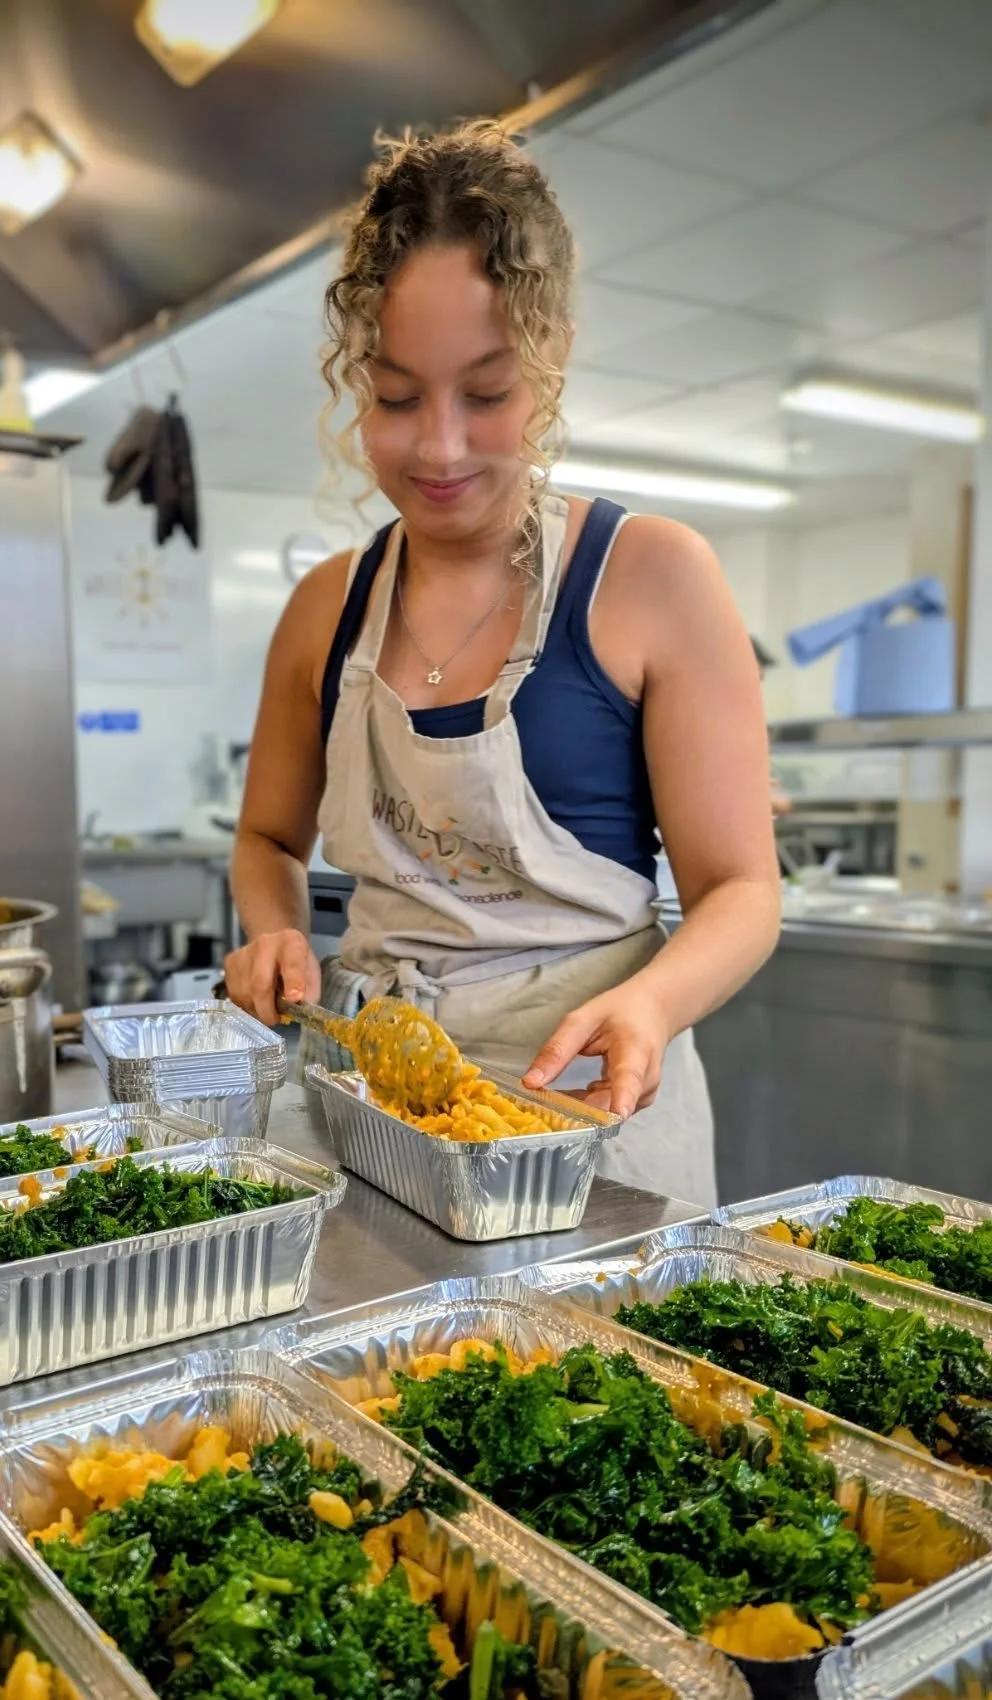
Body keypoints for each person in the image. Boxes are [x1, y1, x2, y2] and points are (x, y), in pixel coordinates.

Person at [224, 121, 780, 1206]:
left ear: (552, 357)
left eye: (486, 393)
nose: (438, 447)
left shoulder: (653, 579)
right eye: (393, 396)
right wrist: (276, 930)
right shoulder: (323, 611)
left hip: (587, 1115)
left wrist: (655, 1003)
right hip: (368, 1107)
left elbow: (743, 890)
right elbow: (264, 835)